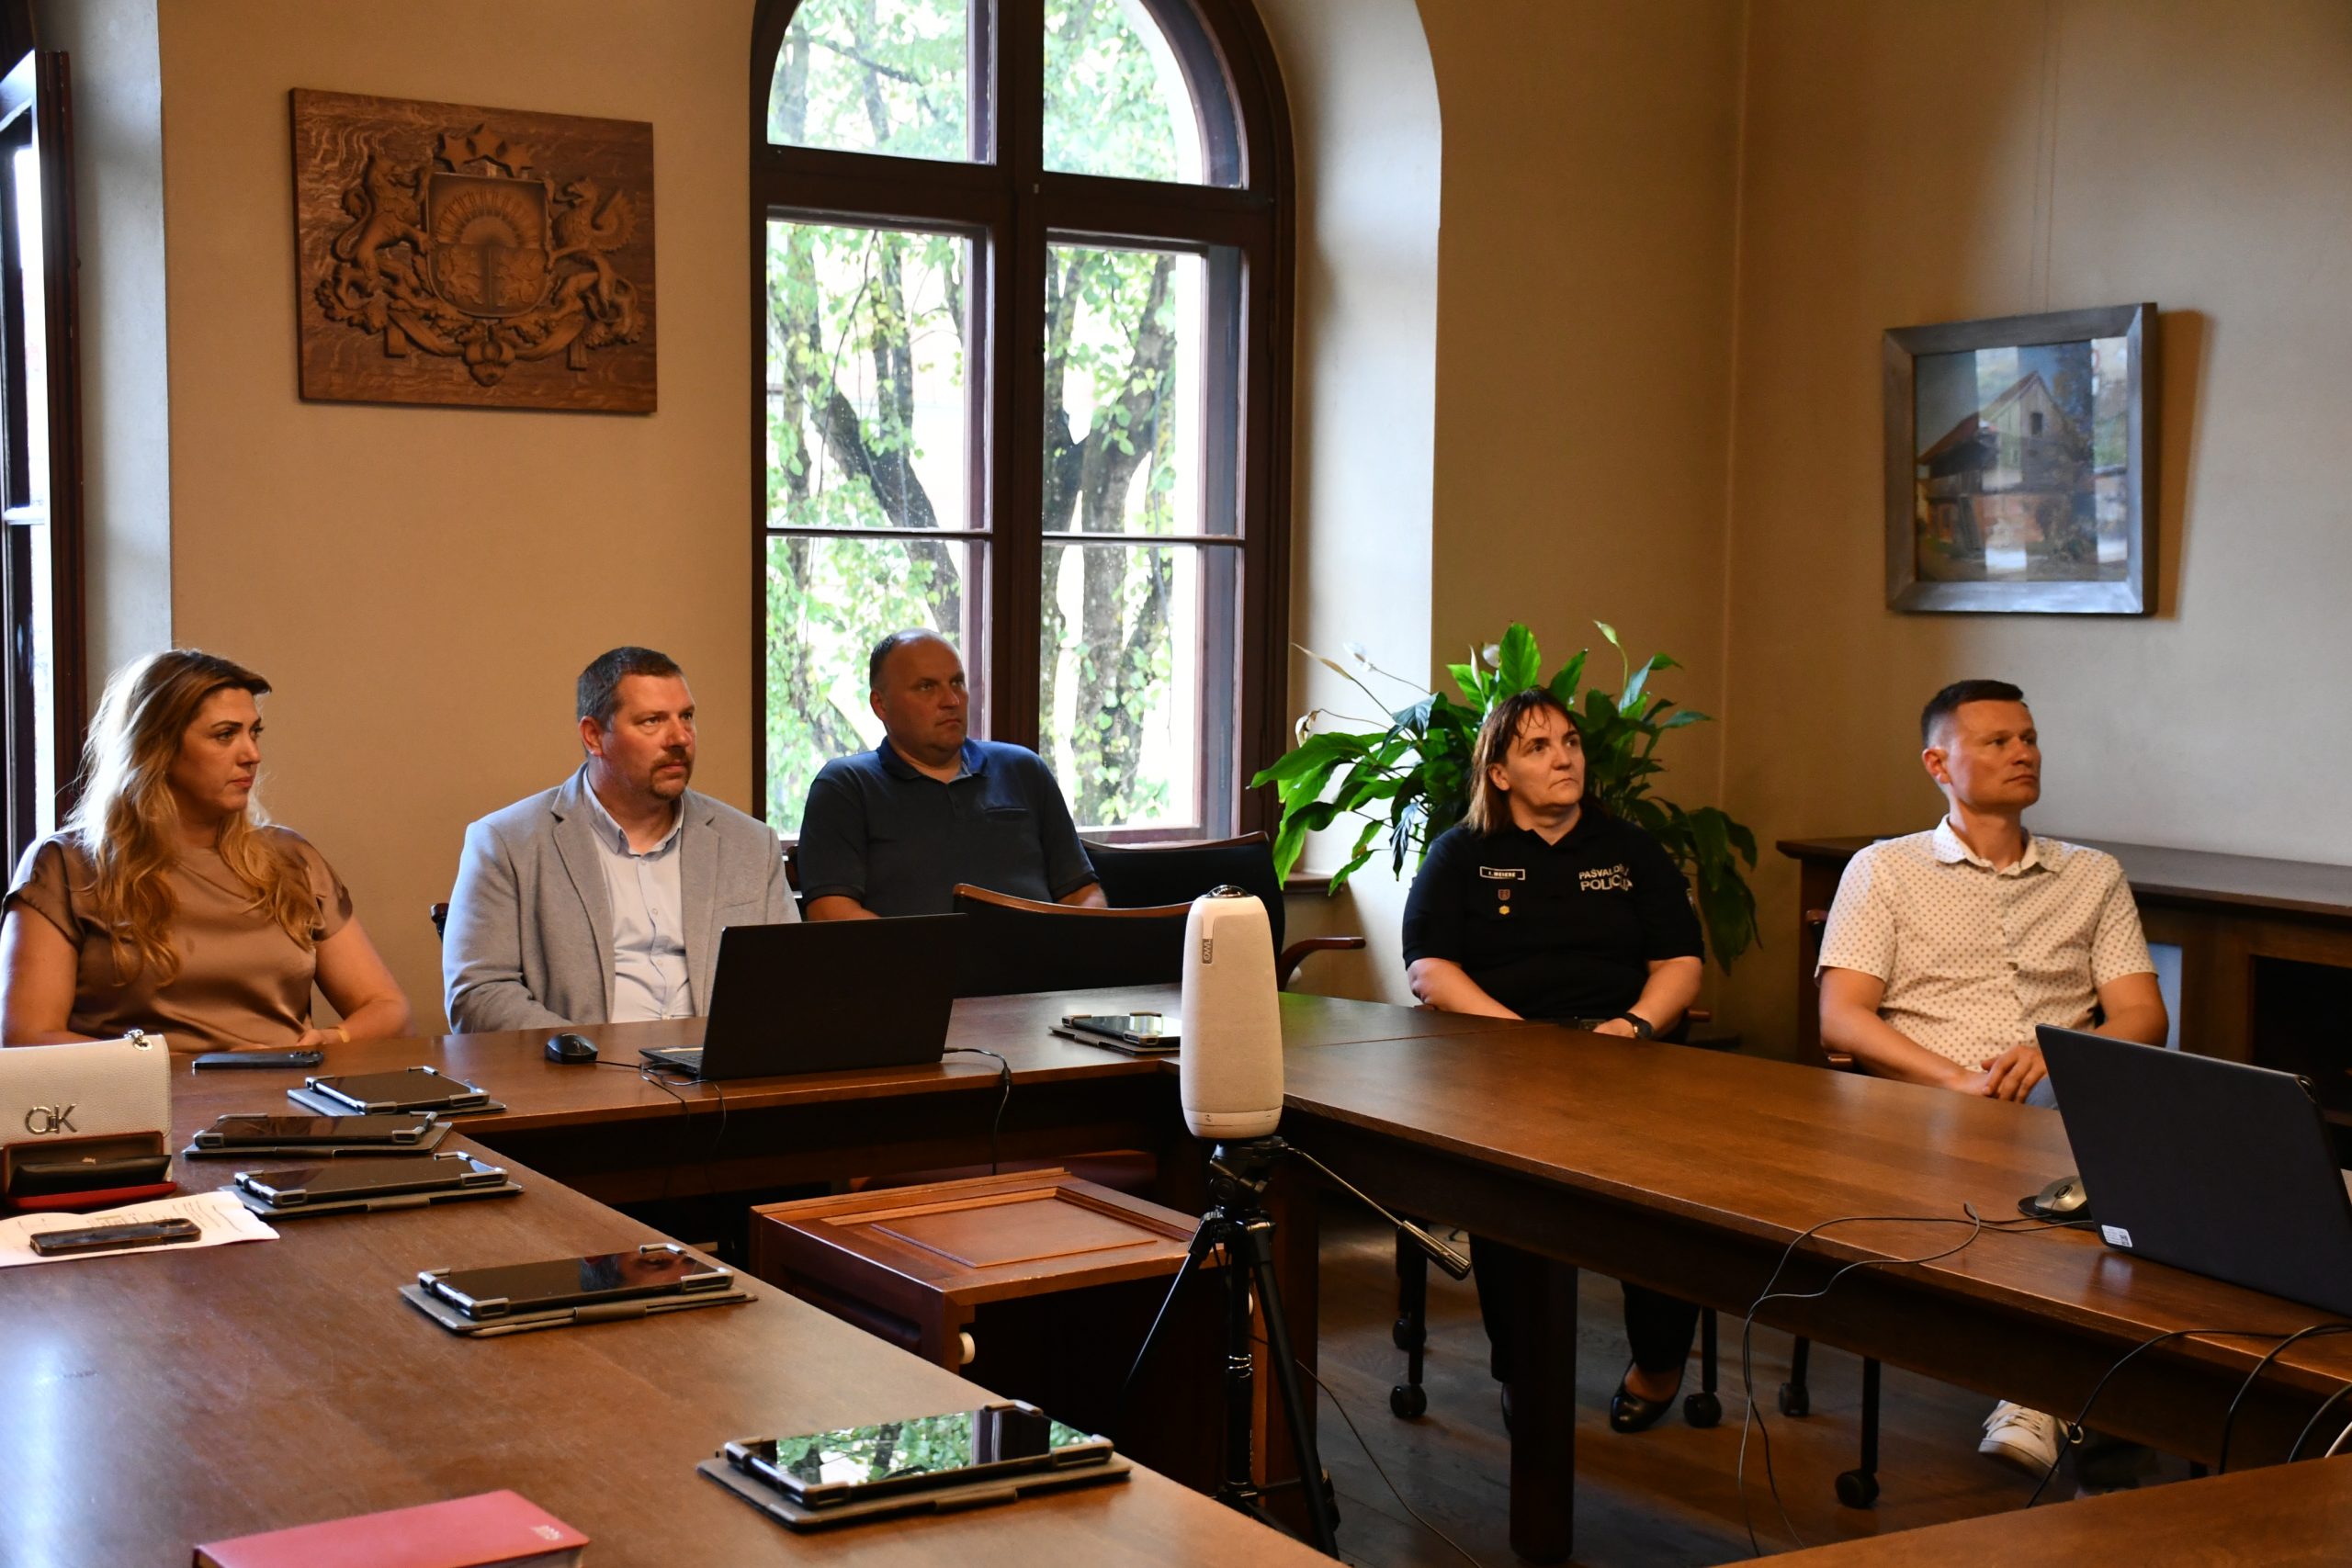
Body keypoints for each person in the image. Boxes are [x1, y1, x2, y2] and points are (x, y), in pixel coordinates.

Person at [1818, 677, 2167, 1485]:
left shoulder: (2092, 874)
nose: (2023, 753)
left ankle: (2052, 1396)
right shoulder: (1885, 869)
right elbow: (1842, 1018)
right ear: (1938, 763)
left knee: (2124, 1136)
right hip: (1928, 1108)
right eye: (1998, 741)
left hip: (2062, 1100)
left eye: (2029, 738)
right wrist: (1954, 1081)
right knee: (2100, 1171)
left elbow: (2143, 1016)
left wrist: (2057, 1052)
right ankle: (2068, 1401)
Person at [1401, 687, 1706, 1434]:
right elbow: (1429, 967)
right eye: (1537, 747)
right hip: (1505, 1058)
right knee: (1511, 1204)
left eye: (1569, 741)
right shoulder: (1461, 853)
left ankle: (1659, 1362)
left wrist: (1633, 1025)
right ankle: (1526, 1370)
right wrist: (1519, 1037)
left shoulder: (1629, 848)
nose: (1563, 757)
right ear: (1499, 773)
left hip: (1625, 1055)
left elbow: (1681, 960)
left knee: (1665, 1199)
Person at [0, 649, 411, 1055]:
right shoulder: (66, 866)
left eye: (254, 732)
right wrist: (192, 1068)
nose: (252, 755)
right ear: (156, 747)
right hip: (148, 1095)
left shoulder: (291, 859)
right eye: (225, 735)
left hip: (284, 1092)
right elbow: (28, 1038)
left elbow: (386, 1007)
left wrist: (331, 1039)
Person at [443, 647, 796, 1032]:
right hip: (581, 1065)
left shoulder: (750, 844)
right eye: (652, 721)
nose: (680, 738)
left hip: (717, 1065)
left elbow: (791, 978)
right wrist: (583, 1053)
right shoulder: (507, 843)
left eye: (686, 717)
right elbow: (478, 995)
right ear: (593, 736)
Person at [797, 630, 1104, 919]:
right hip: (911, 958)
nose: (951, 701)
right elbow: (830, 912)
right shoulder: (845, 786)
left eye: (957, 683)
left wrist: (1073, 944)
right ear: (881, 704)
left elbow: (1082, 892)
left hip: (1040, 955)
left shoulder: (1023, 770)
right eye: (926, 687)